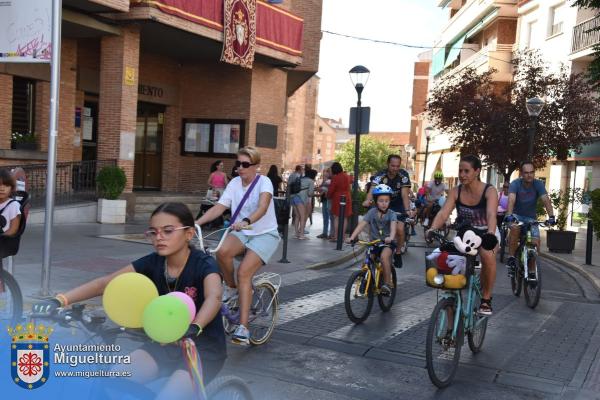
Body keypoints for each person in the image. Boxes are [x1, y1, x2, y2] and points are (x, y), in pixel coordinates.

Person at [32, 202, 225, 397]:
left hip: (202, 348)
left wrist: (195, 326)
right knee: (113, 381)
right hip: (162, 345)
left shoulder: (204, 264)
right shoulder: (153, 262)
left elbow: (214, 297)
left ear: (189, 234)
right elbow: (105, 283)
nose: (159, 238)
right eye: (153, 232)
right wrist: (59, 300)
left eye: (168, 231)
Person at [196, 146, 280, 345]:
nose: (240, 168)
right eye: (238, 164)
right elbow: (220, 207)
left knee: (244, 272)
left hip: (264, 234)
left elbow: (263, 207)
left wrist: (247, 221)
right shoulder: (234, 183)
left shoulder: (264, 182)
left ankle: (243, 328)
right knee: (222, 252)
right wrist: (196, 223)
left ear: (256, 166)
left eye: (245, 164)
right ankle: (232, 289)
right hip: (242, 232)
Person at [426, 155, 499, 316]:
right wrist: (432, 228)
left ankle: (486, 299)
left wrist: (491, 234)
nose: (462, 174)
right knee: (449, 264)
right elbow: (444, 213)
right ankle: (451, 319)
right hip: (465, 233)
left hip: (487, 231)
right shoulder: (455, 191)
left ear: (477, 171)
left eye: (467, 171)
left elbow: (491, 214)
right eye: (460, 171)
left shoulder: (489, 190)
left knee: (488, 256)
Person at [504, 161, 555, 279]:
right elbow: (511, 200)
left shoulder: (538, 184)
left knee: (536, 243)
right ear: (521, 174)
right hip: (516, 215)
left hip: (531, 218)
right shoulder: (515, 184)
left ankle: (532, 271)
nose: (529, 175)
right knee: (515, 229)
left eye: (532, 172)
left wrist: (551, 217)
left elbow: (546, 200)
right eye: (526, 173)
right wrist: (510, 215)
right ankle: (511, 258)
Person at [363, 154, 414, 268]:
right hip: (383, 204)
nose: (395, 169)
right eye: (392, 166)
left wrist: (407, 210)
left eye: (397, 166)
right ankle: (375, 248)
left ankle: (398, 253)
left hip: (398, 205)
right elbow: (372, 188)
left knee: (400, 230)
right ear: (387, 164)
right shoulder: (380, 175)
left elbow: (405, 194)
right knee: (374, 226)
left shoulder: (403, 175)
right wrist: (367, 200)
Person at [346, 184, 397, 296]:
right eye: (381, 201)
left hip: (387, 244)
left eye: (386, 201)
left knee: (384, 258)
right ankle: (365, 280)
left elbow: (393, 228)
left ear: (389, 201)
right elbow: (361, 225)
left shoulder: (392, 214)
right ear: (375, 201)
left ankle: (387, 284)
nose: (384, 203)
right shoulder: (371, 212)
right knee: (367, 260)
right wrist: (352, 237)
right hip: (374, 243)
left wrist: (391, 238)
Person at [327, 162, 352, 241]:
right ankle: (343, 236)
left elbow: (331, 189)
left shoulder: (336, 177)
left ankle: (336, 236)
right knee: (344, 218)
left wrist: (328, 195)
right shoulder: (346, 176)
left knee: (336, 218)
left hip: (338, 198)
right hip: (347, 197)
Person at [296, 169, 317, 239]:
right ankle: (301, 235)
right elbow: (310, 193)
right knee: (302, 216)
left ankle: (296, 234)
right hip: (301, 199)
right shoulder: (311, 181)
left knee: (297, 216)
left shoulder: (301, 178)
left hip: (294, 198)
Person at [0, 169, 21, 236]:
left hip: (4, 242)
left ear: (11, 188)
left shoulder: (13, 205)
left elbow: (13, 229)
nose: (2, 189)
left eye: (6, 186)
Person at [317, 168, 333, 239]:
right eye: (324, 173)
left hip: (329, 199)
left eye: (326, 173)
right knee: (325, 217)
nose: (324, 174)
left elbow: (322, 190)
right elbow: (320, 189)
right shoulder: (324, 181)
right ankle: (325, 232)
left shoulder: (330, 181)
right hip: (324, 200)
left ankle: (331, 233)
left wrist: (321, 190)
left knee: (330, 217)